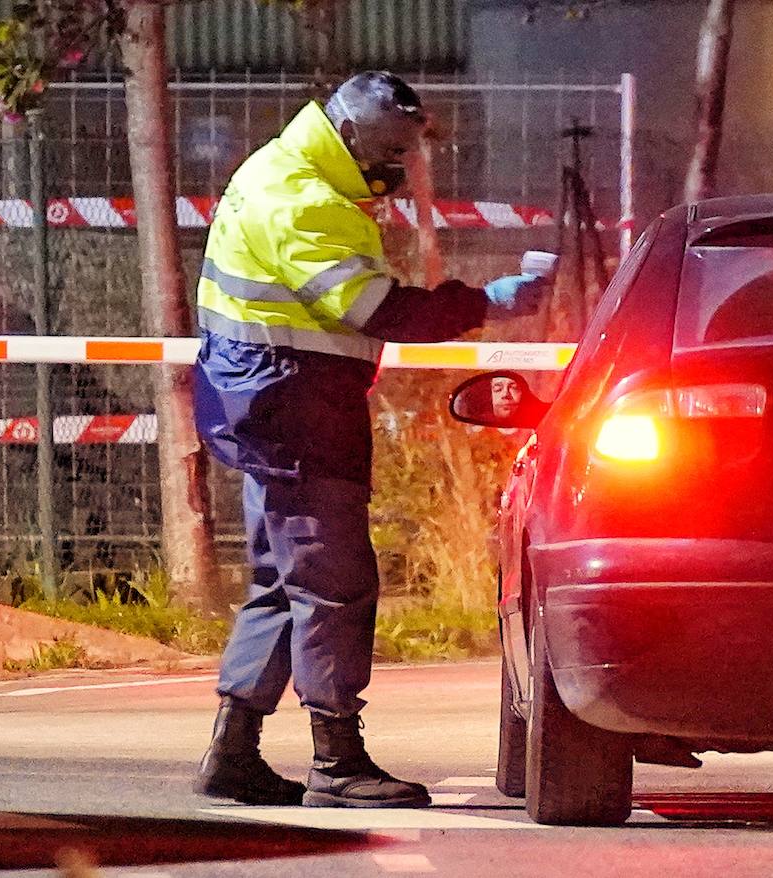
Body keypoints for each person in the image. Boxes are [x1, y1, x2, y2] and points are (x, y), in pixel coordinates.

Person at [191, 71, 548, 809]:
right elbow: (374, 309)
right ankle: (336, 762)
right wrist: (488, 303)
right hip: (293, 404)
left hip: (265, 399)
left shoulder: (282, 168)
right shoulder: (306, 202)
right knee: (333, 582)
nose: (398, 167)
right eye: (389, 150)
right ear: (349, 136)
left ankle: (233, 750)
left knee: (279, 580)